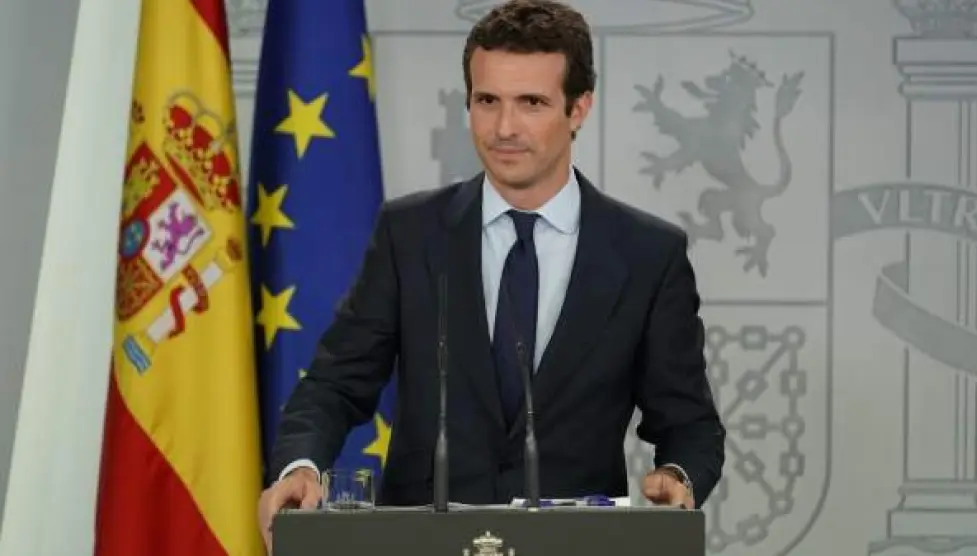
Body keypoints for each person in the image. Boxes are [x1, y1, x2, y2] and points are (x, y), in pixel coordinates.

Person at [258, 0, 724, 545]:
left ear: (578, 108)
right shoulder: (410, 234)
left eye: (531, 103)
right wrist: (300, 467)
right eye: (487, 101)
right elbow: (336, 383)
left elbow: (688, 423)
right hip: (421, 544)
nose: (504, 128)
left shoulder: (648, 254)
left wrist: (678, 476)